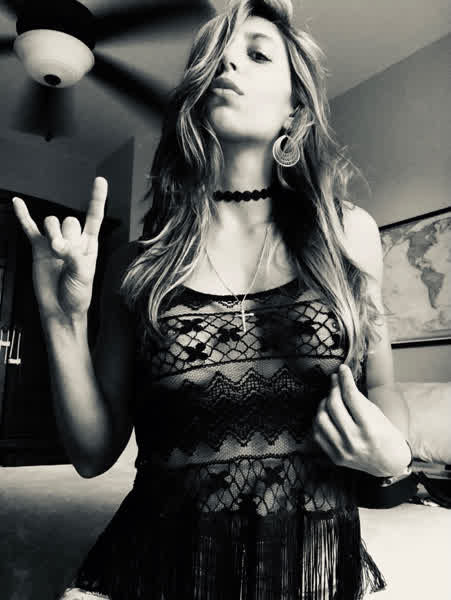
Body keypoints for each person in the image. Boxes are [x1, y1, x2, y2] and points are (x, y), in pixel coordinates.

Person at [12, 1, 414, 598]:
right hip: (160, 567)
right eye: (214, 56)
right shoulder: (138, 264)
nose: (227, 63)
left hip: (309, 567)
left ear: (295, 109)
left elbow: (382, 385)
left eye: (257, 54)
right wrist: (61, 316)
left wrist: (394, 455)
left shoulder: (347, 234)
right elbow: (93, 456)